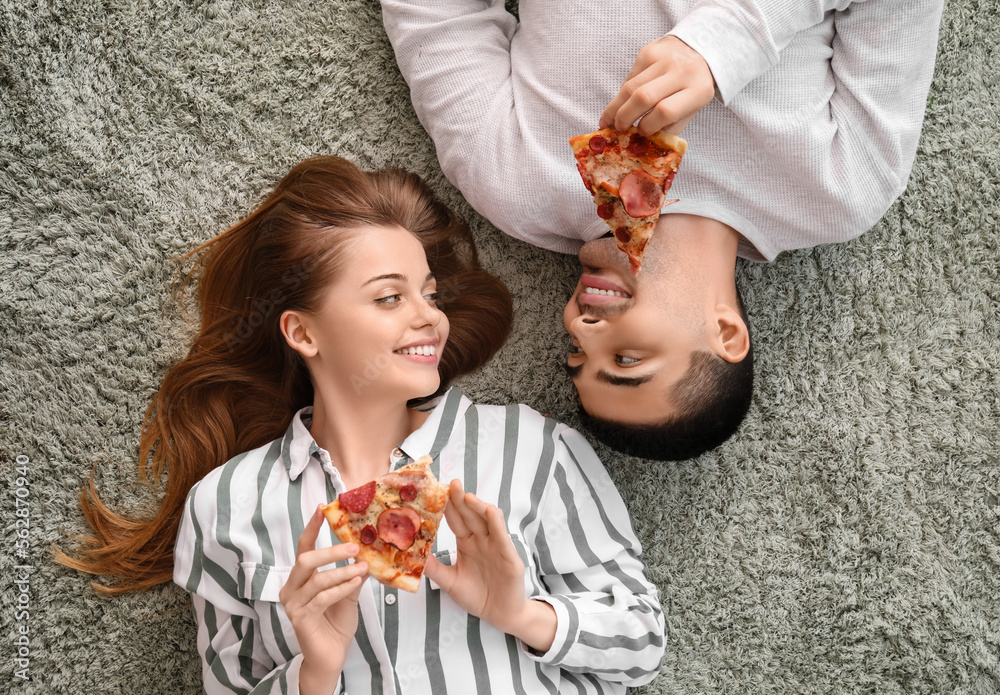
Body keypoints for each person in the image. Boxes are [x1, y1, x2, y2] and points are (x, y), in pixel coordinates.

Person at [56, 156, 665, 693]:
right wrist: (314, 672)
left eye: (429, 294)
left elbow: (642, 642)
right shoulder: (225, 505)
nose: (430, 318)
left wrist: (521, 613)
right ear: (302, 331)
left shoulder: (532, 448)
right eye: (389, 298)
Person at [378, 0, 944, 460]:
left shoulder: (515, 188)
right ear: (726, 334)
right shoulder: (841, 189)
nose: (583, 326)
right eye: (627, 361)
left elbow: (432, 14)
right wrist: (726, 43)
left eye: (576, 351)